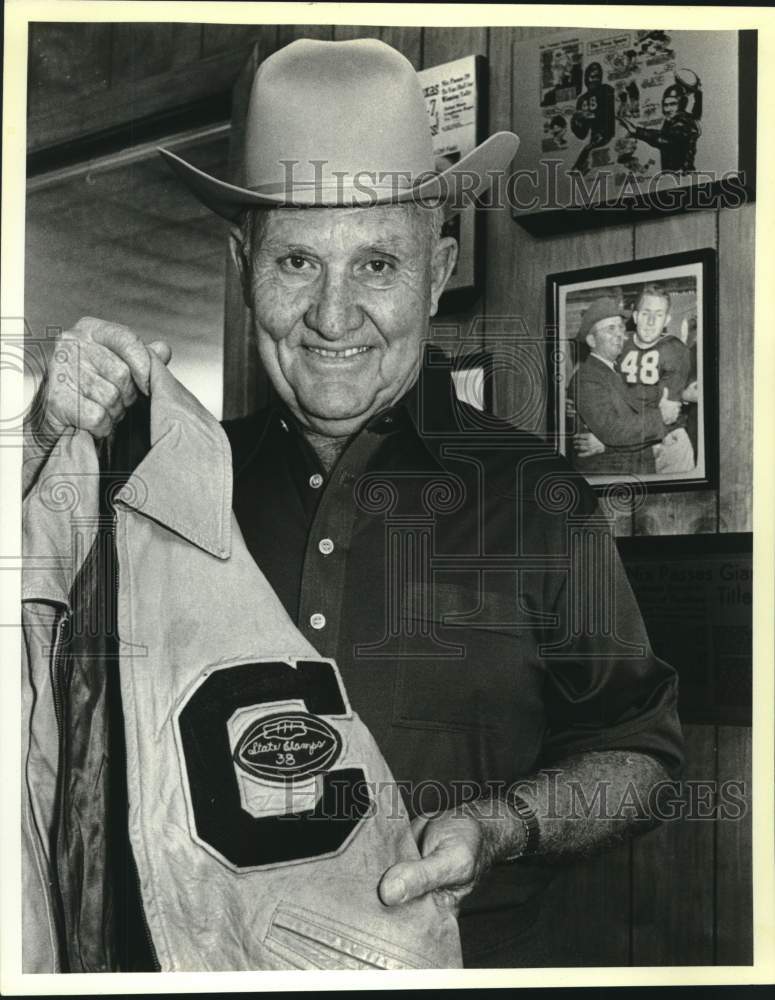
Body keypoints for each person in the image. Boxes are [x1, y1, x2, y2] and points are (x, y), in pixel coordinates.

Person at [23, 38, 684, 969]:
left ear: (438, 267)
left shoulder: (542, 498)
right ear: (240, 263)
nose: (333, 316)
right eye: (296, 261)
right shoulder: (157, 489)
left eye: (376, 264)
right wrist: (42, 440)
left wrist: (498, 829)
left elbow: (642, 760)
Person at [570, 296, 677, 475]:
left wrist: (606, 444)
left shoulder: (617, 372)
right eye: (611, 328)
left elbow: (632, 420)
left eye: (621, 327)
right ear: (592, 341)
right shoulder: (586, 378)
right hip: (613, 480)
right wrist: (661, 417)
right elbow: (613, 430)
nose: (620, 334)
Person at [618, 76, 702, 173]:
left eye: (673, 104)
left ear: (681, 105)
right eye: (666, 105)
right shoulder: (674, 119)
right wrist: (699, 93)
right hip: (675, 175)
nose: (668, 109)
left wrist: (637, 131)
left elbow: (664, 140)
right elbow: (697, 111)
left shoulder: (682, 124)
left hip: (681, 175)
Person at [569, 62, 616, 174]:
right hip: (595, 140)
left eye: (598, 77)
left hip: (609, 136)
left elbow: (609, 114)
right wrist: (576, 121)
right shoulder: (582, 100)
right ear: (586, 78)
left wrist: (590, 116)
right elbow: (582, 134)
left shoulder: (607, 89)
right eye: (592, 77)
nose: (595, 80)